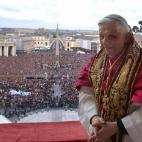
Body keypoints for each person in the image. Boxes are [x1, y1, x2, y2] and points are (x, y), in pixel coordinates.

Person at [77, 14, 142, 142]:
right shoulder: (97, 60)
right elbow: (86, 93)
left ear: (127, 37)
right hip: (100, 132)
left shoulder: (139, 63)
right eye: (101, 36)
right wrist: (94, 118)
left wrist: (117, 127)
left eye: (112, 36)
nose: (105, 42)